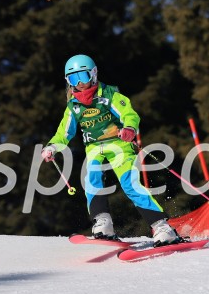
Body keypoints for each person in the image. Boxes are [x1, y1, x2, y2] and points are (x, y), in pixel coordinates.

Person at [41, 54, 182, 245]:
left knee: (130, 184)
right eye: (74, 79)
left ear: (93, 74)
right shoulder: (73, 107)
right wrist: (52, 147)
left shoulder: (109, 96)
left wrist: (130, 129)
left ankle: (162, 227)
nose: (80, 84)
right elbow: (63, 134)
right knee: (92, 181)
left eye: (83, 76)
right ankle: (103, 223)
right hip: (94, 149)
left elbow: (129, 114)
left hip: (119, 146)